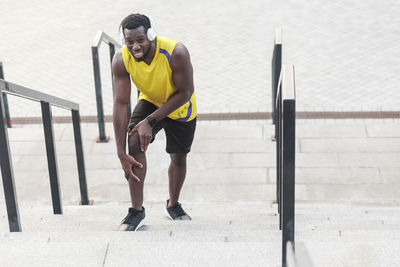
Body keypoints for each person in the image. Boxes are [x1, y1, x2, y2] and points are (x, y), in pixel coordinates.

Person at [112, 13, 197, 231]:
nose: (135, 46)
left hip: (180, 107)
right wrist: (121, 151)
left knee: (178, 157)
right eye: (129, 41)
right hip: (150, 100)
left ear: (151, 35)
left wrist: (151, 120)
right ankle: (136, 212)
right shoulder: (122, 59)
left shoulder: (175, 52)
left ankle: (173, 204)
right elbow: (121, 103)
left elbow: (186, 92)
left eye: (140, 40)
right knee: (133, 143)